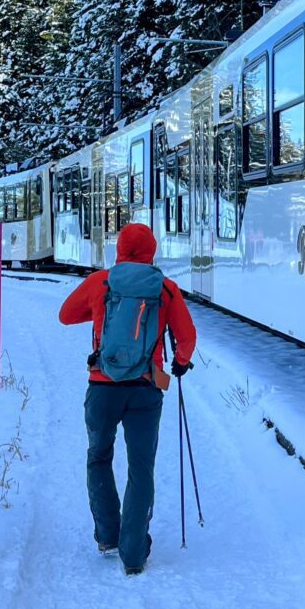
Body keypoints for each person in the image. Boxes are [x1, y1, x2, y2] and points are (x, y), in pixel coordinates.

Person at [58, 221, 196, 576]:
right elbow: (187, 337)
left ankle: (108, 535)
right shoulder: (165, 289)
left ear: (118, 250)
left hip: (102, 387)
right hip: (146, 389)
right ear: (152, 251)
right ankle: (133, 554)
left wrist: (99, 309)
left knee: (99, 457)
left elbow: (65, 315)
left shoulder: (100, 282)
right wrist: (179, 364)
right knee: (141, 468)